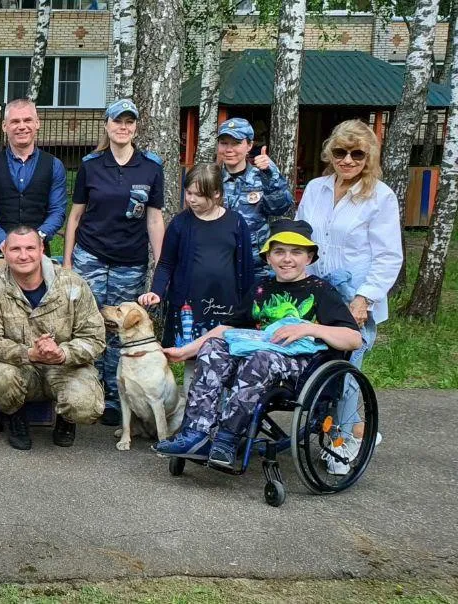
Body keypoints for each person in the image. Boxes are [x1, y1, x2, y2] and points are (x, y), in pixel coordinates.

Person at [156, 220, 363, 467]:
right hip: (256, 361)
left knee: (260, 359)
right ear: (268, 258)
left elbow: (353, 338)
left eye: (296, 252)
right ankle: (196, 435)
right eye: (279, 252)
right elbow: (227, 328)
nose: (287, 259)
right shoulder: (261, 288)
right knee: (212, 349)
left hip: (301, 368)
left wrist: (308, 328)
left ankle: (226, 439)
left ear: (309, 258)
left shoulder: (320, 290)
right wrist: (185, 351)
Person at [296, 119, 402, 475]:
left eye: (357, 153)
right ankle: (345, 428)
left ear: (369, 155)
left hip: (356, 296)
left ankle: (343, 446)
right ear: (331, 153)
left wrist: (363, 299)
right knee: (316, 369)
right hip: (317, 291)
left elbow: (389, 256)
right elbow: (301, 240)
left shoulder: (380, 197)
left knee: (345, 373)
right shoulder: (316, 188)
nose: (348, 160)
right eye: (340, 152)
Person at [63, 99, 166, 427]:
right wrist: (67, 262)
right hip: (90, 256)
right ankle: (86, 389)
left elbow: (154, 220)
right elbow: (76, 215)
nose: (123, 127)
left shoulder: (151, 167)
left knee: (120, 328)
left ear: (136, 127)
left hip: (129, 262)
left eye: (129, 122)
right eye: (117, 122)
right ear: (106, 126)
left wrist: (160, 268)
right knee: (88, 324)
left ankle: (112, 396)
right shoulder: (92, 165)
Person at [0, 227, 106, 450]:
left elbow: (95, 338)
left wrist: (63, 353)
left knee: (86, 403)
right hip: (21, 368)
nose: (23, 255)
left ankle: (67, 419)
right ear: (4, 250)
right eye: (15, 249)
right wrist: (27, 353)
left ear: (42, 249)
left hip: (66, 367)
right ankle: (15, 416)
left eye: (30, 248)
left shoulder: (73, 284)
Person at [140, 164, 254, 346]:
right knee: (190, 358)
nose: (191, 199)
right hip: (189, 304)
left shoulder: (236, 223)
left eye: (198, 195)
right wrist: (156, 291)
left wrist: (248, 306)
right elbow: (166, 264)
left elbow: (246, 268)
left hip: (226, 304)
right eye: (188, 192)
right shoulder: (180, 223)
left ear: (216, 193)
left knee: (224, 354)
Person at [0, 98, 68, 257]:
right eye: (15, 121)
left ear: (37, 123)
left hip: (39, 253)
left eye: (27, 120)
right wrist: (4, 241)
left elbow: (57, 210)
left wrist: (38, 238)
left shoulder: (54, 165)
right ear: (5, 126)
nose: (22, 126)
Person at [216, 118, 295, 281]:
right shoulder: (210, 179)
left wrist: (271, 175)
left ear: (249, 146)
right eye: (224, 143)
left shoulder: (262, 177)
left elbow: (280, 207)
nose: (229, 149)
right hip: (217, 267)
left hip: (256, 269)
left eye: (236, 143)